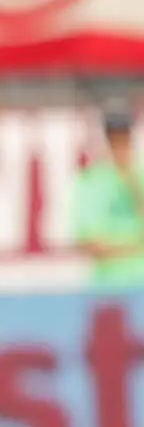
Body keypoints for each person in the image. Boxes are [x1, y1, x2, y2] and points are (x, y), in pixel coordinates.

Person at [71, 102, 144, 289]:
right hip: (108, 286)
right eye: (114, 138)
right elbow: (91, 242)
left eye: (124, 137)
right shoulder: (91, 181)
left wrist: (131, 180)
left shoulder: (138, 174)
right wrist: (134, 245)